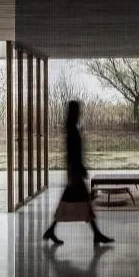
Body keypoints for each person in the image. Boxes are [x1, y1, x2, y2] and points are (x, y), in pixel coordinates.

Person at [43, 100, 114, 246]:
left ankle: (52, 230)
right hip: (74, 173)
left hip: (75, 171)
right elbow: (72, 154)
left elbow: (74, 154)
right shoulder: (72, 130)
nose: (80, 113)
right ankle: (96, 234)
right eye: (78, 110)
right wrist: (77, 171)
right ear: (74, 112)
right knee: (81, 203)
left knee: (73, 203)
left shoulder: (72, 128)